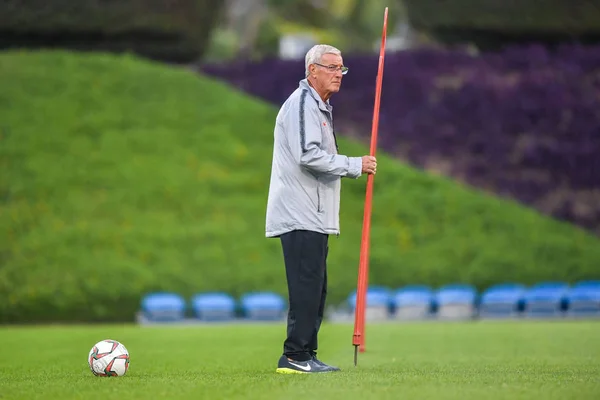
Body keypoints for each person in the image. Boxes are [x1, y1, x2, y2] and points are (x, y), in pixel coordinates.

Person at [265, 44, 377, 374]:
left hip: (315, 216)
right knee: (305, 287)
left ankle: (307, 353)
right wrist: (354, 164)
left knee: (316, 288)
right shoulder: (302, 104)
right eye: (331, 67)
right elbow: (307, 155)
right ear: (312, 70)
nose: (338, 74)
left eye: (341, 69)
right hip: (299, 213)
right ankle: (294, 356)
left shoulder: (322, 109)